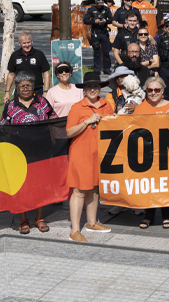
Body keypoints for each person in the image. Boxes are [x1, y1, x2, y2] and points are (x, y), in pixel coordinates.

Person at [0, 71, 57, 234]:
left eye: (29, 85)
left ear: (34, 87)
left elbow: (53, 117)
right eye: (22, 86)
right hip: (18, 154)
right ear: (16, 88)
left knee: (40, 185)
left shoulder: (42, 103)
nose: (25, 88)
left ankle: (39, 217)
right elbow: (3, 126)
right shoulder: (10, 106)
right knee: (22, 186)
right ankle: (23, 218)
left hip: (41, 151)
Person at [66, 72, 114, 242]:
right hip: (81, 154)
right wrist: (87, 121)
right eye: (89, 87)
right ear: (84, 89)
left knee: (94, 188)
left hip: (99, 154)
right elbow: (69, 132)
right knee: (79, 191)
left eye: (95, 87)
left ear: (100, 88)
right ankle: (74, 230)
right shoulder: (77, 107)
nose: (93, 89)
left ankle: (92, 222)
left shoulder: (106, 105)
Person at [133, 76, 169, 227]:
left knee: (166, 185)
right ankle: (149, 216)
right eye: (150, 90)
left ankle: (167, 215)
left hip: (167, 154)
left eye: (157, 90)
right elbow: (132, 129)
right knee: (149, 185)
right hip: (147, 154)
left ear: (163, 91)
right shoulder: (140, 108)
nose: (153, 93)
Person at [4, 32, 50, 102]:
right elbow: (11, 74)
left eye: (28, 42)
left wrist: (46, 91)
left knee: (38, 112)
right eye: (24, 43)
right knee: (19, 112)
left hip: (37, 91)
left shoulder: (39, 54)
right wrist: (7, 92)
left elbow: (46, 73)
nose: (27, 45)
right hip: (20, 91)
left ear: (32, 41)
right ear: (19, 43)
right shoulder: (15, 55)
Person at [83, 0, 114, 75]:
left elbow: (111, 20)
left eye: (101, 4)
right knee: (96, 52)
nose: (100, 6)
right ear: (96, 3)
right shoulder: (91, 10)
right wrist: (94, 21)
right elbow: (85, 20)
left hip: (104, 33)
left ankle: (107, 69)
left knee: (106, 52)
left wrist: (105, 21)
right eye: (99, 4)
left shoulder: (106, 9)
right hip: (95, 33)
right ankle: (97, 69)